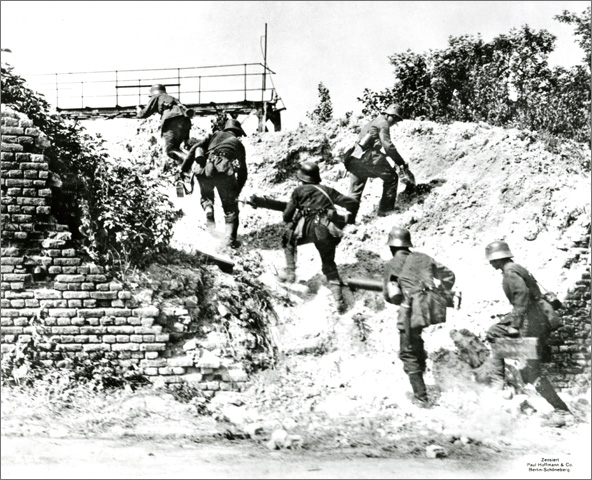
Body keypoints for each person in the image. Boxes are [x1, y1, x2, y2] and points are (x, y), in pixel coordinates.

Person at [484, 240, 570, 416]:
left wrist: (514, 326)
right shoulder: (516, 267)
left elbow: (521, 297)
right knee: (495, 334)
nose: (491, 263)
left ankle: (561, 409)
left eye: (492, 259)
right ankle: (504, 382)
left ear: (498, 258)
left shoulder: (509, 272)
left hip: (532, 320)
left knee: (531, 371)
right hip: (536, 317)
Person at [383, 227, 455, 406]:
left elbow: (390, 296)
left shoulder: (391, 265)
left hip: (412, 309)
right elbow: (449, 275)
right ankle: (422, 376)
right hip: (432, 307)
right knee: (415, 339)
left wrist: (401, 293)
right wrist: (442, 293)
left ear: (392, 247)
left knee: (407, 352)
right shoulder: (423, 257)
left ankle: (421, 398)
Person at [281, 161, 358, 314]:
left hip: (307, 230)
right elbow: (351, 202)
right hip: (325, 230)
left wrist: (292, 219)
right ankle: (338, 300)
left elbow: (287, 215)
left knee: (288, 239)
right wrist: (349, 217)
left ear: (301, 178)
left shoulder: (298, 191)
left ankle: (290, 273)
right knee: (329, 263)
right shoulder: (328, 190)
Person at [343, 105, 414, 221]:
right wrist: (400, 162)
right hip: (368, 157)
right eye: (395, 119)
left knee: (355, 191)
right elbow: (388, 146)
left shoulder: (372, 122)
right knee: (391, 178)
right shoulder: (383, 123)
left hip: (354, 158)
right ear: (390, 115)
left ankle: (348, 220)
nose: (394, 123)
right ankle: (385, 211)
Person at [187, 118, 248, 249]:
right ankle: (229, 241)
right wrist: (237, 190)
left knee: (206, 197)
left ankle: (208, 209)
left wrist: (183, 169)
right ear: (237, 133)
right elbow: (243, 172)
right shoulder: (238, 144)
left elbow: (194, 148)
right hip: (223, 172)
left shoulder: (214, 135)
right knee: (230, 209)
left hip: (205, 169)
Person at [136, 84, 193, 176]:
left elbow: (144, 113)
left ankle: (190, 163)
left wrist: (139, 111)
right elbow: (183, 116)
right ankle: (187, 171)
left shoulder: (157, 97)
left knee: (170, 150)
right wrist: (186, 139)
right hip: (185, 121)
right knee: (176, 149)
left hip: (171, 120)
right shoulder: (173, 99)